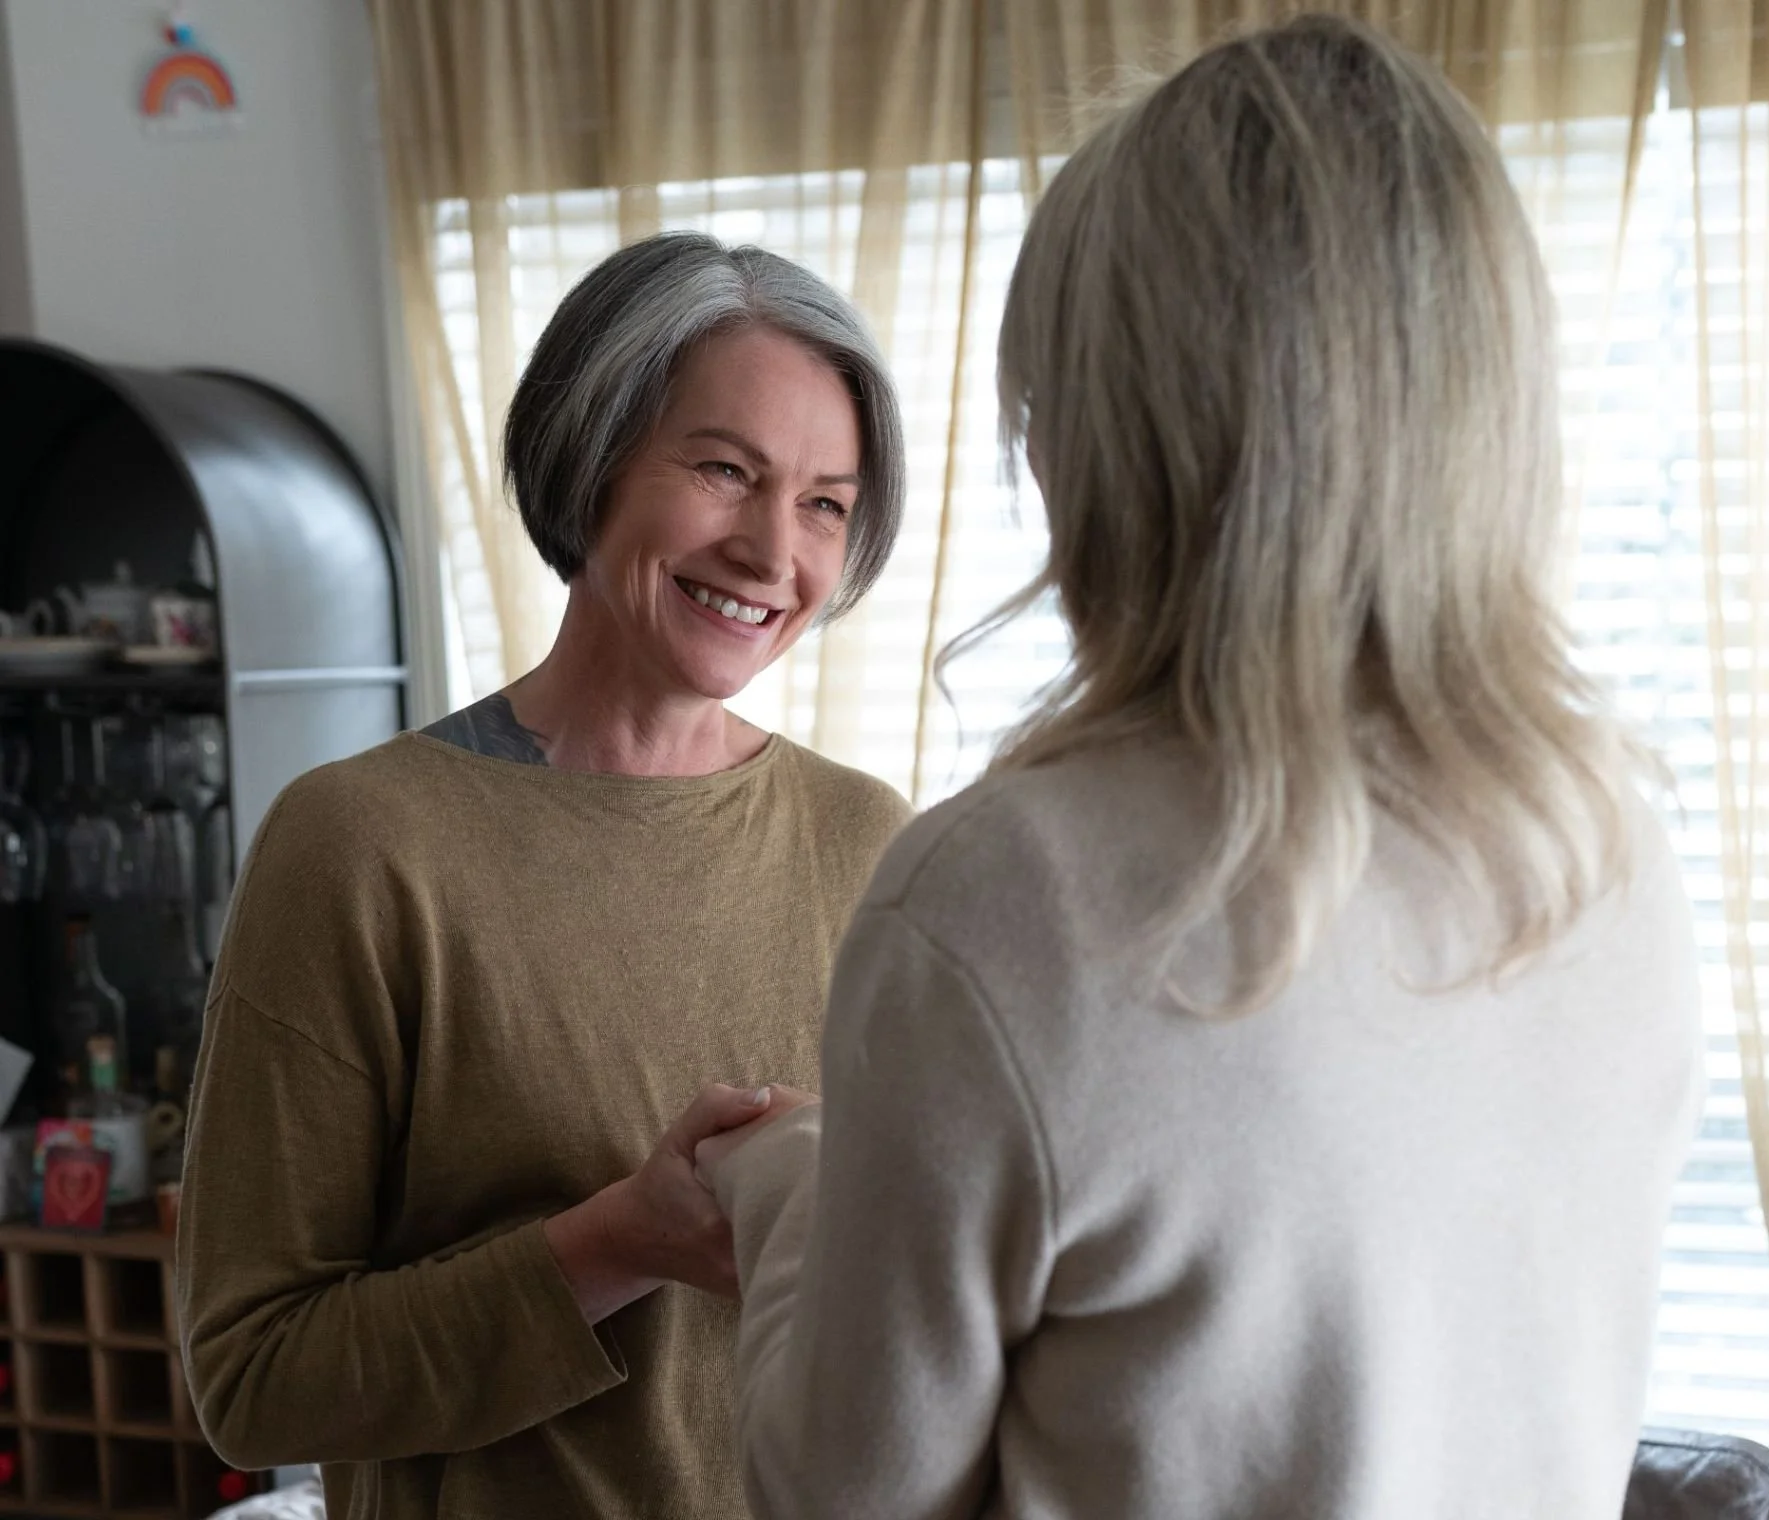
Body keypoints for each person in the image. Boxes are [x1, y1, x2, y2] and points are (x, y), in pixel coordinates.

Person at [698, 17, 1705, 1520]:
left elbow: (842, 1496)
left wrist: (785, 1178)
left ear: (1118, 436)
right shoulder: (1612, 855)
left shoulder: (1009, 894)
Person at [175, 232, 912, 1520]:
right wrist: (619, 1243)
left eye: (824, 505)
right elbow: (254, 1380)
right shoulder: (360, 845)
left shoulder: (868, 840)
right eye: (724, 470)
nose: (770, 551)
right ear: (591, 453)